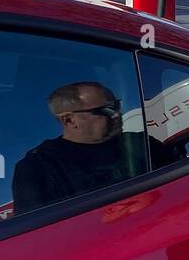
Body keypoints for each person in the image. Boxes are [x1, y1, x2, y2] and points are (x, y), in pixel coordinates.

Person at [12, 81, 145, 215]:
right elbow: (37, 228)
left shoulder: (139, 143)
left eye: (116, 106)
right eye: (106, 110)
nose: (116, 114)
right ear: (69, 120)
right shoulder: (38, 168)